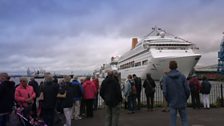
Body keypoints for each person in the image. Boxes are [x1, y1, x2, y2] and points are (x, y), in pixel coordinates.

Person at [163, 61, 190, 126]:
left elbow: (165, 91)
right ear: (176, 66)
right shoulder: (182, 76)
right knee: (184, 119)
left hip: (172, 102)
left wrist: (168, 100)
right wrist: (185, 98)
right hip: (182, 101)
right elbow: (187, 90)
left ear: (169, 67)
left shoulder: (166, 78)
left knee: (172, 121)